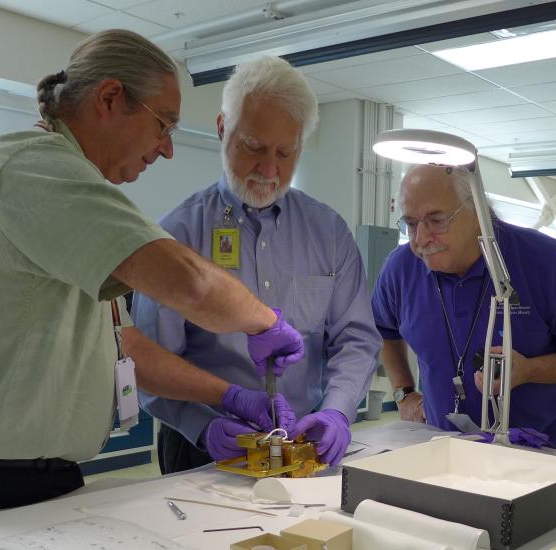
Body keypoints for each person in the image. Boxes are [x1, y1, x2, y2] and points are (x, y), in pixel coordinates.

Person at [0, 30, 305, 529]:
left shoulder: (66, 195)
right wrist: (264, 322)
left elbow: (124, 347)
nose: (167, 149)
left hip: (33, 480)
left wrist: (227, 397)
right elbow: (189, 282)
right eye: (163, 125)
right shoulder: (33, 170)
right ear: (108, 98)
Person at [132, 56, 383, 473]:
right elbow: (152, 360)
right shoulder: (175, 235)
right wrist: (202, 425)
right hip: (204, 448)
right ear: (221, 128)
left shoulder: (330, 232)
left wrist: (338, 410)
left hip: (305, 445)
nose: (270, 169)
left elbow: (356, 339)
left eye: (286, 152)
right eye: (254, 147)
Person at [371, 164, 556, 452]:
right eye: (411, 224)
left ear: (477, 211)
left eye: (437, 220)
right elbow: (383, 330)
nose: (420, 239)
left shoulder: (547, 263)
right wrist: (404, 393)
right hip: (443, 449)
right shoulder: (401, 270)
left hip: (545, 453)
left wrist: (530, 370)